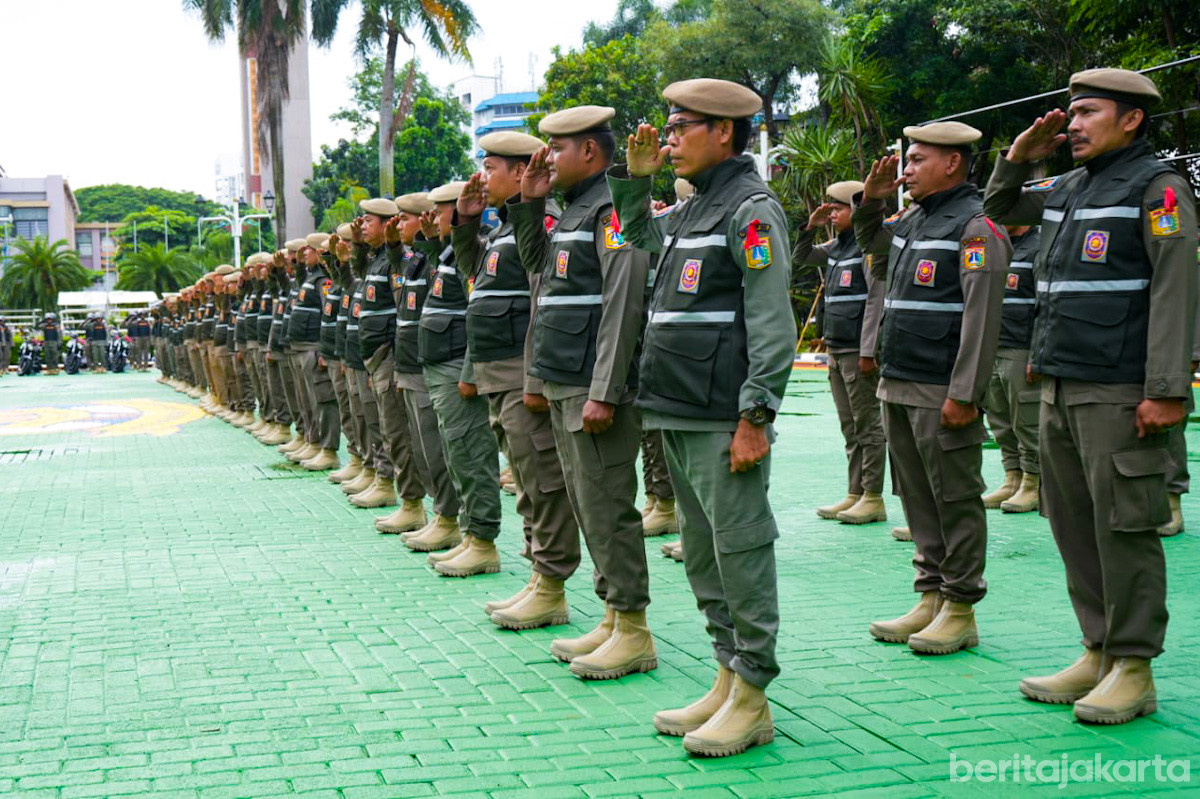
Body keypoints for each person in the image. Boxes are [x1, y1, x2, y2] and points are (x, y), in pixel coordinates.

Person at [984, 68, 1197, 724]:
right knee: (1073, 522)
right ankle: (1098, 647)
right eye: (1071, 114)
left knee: (1125, 527)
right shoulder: (1069, 187)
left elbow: (1176, 288)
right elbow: (999, 209)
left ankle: (1133, 666)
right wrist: (1016, 158)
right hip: (1059, 383)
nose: (1073, 125)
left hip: (1119, 389)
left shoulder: (1158, 188)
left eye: (1088, 112)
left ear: (1131, 119)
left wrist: (1167, 389)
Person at [611, 78, 796, 757]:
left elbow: (772, 320)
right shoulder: (694, 210)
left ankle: (752, 695)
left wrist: (756, 414)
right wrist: (635, 183)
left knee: (740, 552)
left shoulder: (750, 211)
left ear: (723, 131)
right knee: (702, 553)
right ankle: (726, 674)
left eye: (680, 127)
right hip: (678, 408)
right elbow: (636, 239)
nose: (669, 139)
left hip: (723, 415)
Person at [511, 105, 657, 680]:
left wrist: (605, 389)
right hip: (564, 379)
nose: (547, 157)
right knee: (587, 506)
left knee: (609, 508)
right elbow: (537, 270)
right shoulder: (573, 208)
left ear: (590, 151)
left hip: (592, 386)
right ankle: (613, 616)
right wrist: (529, 203)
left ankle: (634, 629)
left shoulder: (612, 209)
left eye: (557, 148)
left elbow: (624, 302)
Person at [855, 120, 1010, 655]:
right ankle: (930, 594)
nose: (907, 169)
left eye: (918, 160)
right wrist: (871, 203)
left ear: (952, 163)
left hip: (940, 387)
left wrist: (964, 393)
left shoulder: (976, 226)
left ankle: (960, 607)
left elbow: (982, 318)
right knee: (917, 495)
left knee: (954, 497)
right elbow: (872, 248)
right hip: (899, 380)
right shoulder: (913, 220)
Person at [453, 131, 581, 625]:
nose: (483, 178)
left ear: (521, 171)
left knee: (542, 483)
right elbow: (476, 282)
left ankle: (551, 584)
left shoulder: (540, 221)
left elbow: (541, 302)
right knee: (526, 483)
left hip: (517, 371)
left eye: (491, 169)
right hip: (496, 373)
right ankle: (537, 577)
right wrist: (466, 224)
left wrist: (532, 379)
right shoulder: (503, 228)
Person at [409, 182, 505, 577]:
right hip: (441, 365)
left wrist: (470, 372)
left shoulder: (475, 250)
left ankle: (482, 540)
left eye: (439, 211)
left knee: (471, 452)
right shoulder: (449, 252)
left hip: (456, 368)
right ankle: (467, 533)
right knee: (454, 454)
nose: (432, 218)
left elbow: (477, 315)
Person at [794, 180, 888, 525]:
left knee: (868, 425)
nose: (832, 214)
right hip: (836, 348)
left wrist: (868, 349)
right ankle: (855, 491)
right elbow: (802, 258)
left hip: (856, 350)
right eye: (830, 208)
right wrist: (809, 228)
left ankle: (873, 496)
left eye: (839, 208)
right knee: (850, 426)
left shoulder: (868, 248)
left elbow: (876, 299)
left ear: (856, 210)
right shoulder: (836, 247)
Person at [371, 195, 459, 541]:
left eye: (404, 219)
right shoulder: (414, 261)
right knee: (416, 446)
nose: (399, 225)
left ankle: (448, 520)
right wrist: (395, 245)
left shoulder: (438, 257)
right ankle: (429, 512)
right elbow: (397, 268)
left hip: (429, 366)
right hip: (408, 363)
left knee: (435, 450)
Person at [980, 224, 1042, 513]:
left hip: (1022, 346)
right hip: (994, 343)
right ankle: (1012, 476)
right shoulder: (994, 246)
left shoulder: (1038, 246)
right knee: (1000, 418)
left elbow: (1045, 304)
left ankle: (1034, 481)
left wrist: (1038, 352)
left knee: (1027, 419)